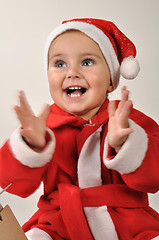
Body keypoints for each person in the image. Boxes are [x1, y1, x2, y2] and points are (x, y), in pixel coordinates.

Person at [0, 18, 159, 240]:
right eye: (59, 64)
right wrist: (29, 146)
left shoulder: (130, 121)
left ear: (111, 81)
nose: (72, 72)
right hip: (58, 224)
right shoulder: (42, 129)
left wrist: (127, 144)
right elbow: (13, 184)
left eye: (86, 62)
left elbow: (155, 178)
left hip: (128, 223)